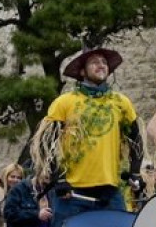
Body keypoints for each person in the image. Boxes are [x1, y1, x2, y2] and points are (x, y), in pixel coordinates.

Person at [31, 47, 140, 227]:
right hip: (72, 194)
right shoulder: (65, 102)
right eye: (95, 62)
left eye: (104, 62)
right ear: (82, 71)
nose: (101, 65)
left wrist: (135, 173)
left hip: (110, 192)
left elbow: (136, 140)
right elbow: (46, 143)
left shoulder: (121, 102)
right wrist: (58, 178)